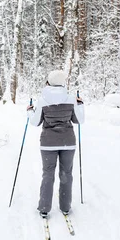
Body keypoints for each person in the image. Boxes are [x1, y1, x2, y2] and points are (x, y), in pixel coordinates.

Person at [26, 70, 85, 218]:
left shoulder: (42, 100)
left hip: (48, 144)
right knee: (66, 174)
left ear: (49, 82)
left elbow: (35, 122)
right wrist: (80, 104)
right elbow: (79, 120)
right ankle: (65, 207)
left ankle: (44, 208)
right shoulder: (70, 98)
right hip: (68, 143)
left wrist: (29, 112)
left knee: (48, 174)